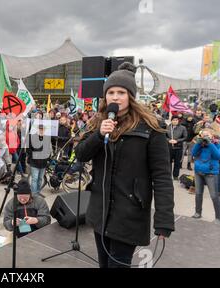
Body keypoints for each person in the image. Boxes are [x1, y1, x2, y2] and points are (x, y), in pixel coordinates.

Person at [75, 62, 175, 268]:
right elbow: (81, 155)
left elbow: (162, 176)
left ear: (131, 95)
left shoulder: (151, 128)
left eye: (121, 92)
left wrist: (164, 218)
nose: (115, 96)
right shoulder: (98, 123)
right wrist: (98, 134)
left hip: (129, 213)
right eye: (111, 92)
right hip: (100, 210)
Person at [191, 128, 220, 224]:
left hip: (211, 173)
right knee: (198, 193)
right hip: (198, 171)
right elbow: (193, 153)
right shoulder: (200, 144)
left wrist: (210, 144)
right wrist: (198, 143)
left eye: (207, 135)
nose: (205, 137)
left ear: (212, 136)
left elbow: (218, 156)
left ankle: (219, 217)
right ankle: (198, 212)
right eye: (203, 135)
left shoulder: (218, 144)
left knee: (214, 195)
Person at [27, 124, 51, 196]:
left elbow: (48, 150)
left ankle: (37, 192)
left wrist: (47, 158)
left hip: (43, 162)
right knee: (35, 178)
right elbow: (28, 150)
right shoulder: (32, 137)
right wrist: (35, 156)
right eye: (40, 129)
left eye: (43, 129)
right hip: (34, 162)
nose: (41, 131)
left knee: (40, 179)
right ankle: (34, 194)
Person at [166, 115, 187, 180]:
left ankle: (175, 176)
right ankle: (168, 176)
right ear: (171, 120)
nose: (175, 121)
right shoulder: (167, 127)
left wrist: (177, 140)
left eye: (176, 120)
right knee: (168, 162)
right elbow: (164, 136)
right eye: (173, 120)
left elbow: (185, 137)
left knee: (177, 163)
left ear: (178, 121)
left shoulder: (182, 128)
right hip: (169, 147)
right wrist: (168, 140)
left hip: (178, 148)